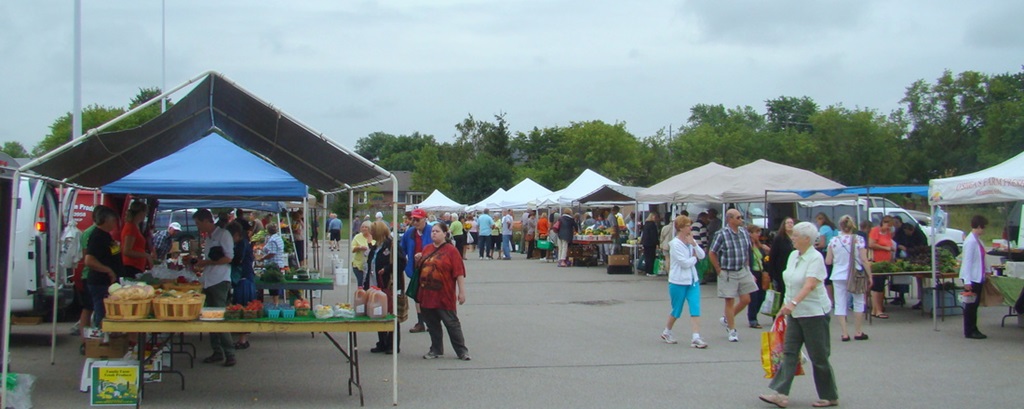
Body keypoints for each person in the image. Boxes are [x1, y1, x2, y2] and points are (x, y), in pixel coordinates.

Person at [758, 221, 839, 409]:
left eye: (795, 235)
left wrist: (793, 303)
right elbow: (791, 282)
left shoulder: (815, 258)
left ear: (807, 239)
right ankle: (781, 394)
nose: (792, 238)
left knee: (818, 356)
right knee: (789, 352)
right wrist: (785, 305)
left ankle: (829, 395)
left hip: (814, 313)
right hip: (795, 313)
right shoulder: (794, 255)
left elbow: (809, 284)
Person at [415, 222, 470, 361]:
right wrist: (418, 260)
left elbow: (459, 272)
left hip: (444, 295)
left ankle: (462, 351)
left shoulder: (451, 251)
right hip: (427, 295)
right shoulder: (427, 249)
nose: (434, 233)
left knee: (451, 323)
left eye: (437, 231)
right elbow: (420, 270)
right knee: (432, 325)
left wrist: (461, 292)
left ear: (445, 234)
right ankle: (436, 349)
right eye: (432, 231)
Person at [193, 209, 237, 367]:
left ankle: (230, 353)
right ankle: (217, 351)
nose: (198, 227)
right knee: (210, 316)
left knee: (219, 315)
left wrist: (207, 263)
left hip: (219, 281)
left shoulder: (223, 235)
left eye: (198, 223)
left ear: (206, 221)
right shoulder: (210, 237)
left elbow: (228, 258)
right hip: (209, 280)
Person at [661, 215, 708, 349]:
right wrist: (694, 258)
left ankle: (696, 337)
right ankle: (667, 331)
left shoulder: (690, 240)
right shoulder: (675, 244)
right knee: (677, 310)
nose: (690, 227)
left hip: (692, 281)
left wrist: (694, 244)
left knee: (695, 308)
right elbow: (684, 263)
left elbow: (702, 255)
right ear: (681, 228)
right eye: (687, 225)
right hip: (678, 281)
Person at [709, 208, 755, 342]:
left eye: (741, 217)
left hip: (742, 269)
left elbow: (747, 250)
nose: (741, 220)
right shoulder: (721, 234)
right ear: (730, 219)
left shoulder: (744, 233)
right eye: (738, 217)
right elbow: (712, 252)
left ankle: (727, 318)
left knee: (746, 299)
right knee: (729, 300)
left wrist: (747, 267)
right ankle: (732, 329)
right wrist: (718, 270)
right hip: (728, 271)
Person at [825, 215, 871, 342]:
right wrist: (870, 276)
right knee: (858, 301)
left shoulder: (834, 241)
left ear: (840, 226)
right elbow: (864, 260)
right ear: (853, 225)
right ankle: (858, 331)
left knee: (840, 302)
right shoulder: (859, 240)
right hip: (855, 274)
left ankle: (844, 333)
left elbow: (828, 261)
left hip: (838, 275)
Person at [367, 221, 405, 353]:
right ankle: (382, 342)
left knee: (391, 313)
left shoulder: (392, 245)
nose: (370, 233)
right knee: (378, 312)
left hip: (389, 284)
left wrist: (387, 269)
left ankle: (392, 343)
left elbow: (401, 262)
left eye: (372, 231)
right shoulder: (375, 246)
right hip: (375, 284)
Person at [84, 205, 123, 327]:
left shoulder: (106, 235)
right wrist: (108, 270)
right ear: (105, 220)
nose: (115, 223)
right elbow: (89, 260)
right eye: (113, 220)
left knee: (106, 311)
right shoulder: (97, 236)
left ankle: (105, 337)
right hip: (100, 282)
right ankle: (99, 338)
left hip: (108, 282)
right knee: (101, 312)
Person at [402, 208, 432, 333]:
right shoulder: (409, 233)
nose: (415, 222)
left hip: (431, 270)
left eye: (417, 220)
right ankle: (421, 322)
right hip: (415, 269)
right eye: (413, 219)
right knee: (417, 296)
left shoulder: (432, 231)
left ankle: (432, 322)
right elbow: (401, 249)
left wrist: (424, 254)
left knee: (430, 296)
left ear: (425, 219)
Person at [226, 221, 256, 349]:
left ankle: (243, 339)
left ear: (237, 235)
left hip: (244, 279)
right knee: (243, 307)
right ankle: (242, 338)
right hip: (244, 278)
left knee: (243, 308)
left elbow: (237, 260)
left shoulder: (242, 244)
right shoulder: (242, 243)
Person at [960, 215, 988, 340]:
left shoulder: (978, 240)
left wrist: (987, 270)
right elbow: (967, 261)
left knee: (974, 305)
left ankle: (973, 327)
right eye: (983, 227)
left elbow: (982, 258)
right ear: (978, 226)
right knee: (971, 305)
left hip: (978, 276)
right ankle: (969, 330)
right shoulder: (971, 241)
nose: (984, 230)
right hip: (972, 277)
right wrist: (967, 280)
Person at [868, 215, 895, 319]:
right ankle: (877, 309)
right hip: (876, 262)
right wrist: (885, 248)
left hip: (885, 262)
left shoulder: (888, 233)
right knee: (876, 286)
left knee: (881, 286)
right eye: (888, 225)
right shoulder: (875, 231)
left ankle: (877, 309)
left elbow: (889, 243)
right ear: (883, 223)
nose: (889, 228)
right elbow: (871, 244)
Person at [121, 201, 155, 278]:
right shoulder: (131, 227)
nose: (145, 215)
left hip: (137, 266)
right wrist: (146, 255)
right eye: (145, 213)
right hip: (131, 266)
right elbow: (127, 251)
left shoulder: (135, 226)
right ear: (141, 213)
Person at [746, 224, 771, 329]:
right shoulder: (748, 246)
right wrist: (749, 273)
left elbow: (765, 259)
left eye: (759, 232)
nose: (758, 235)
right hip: (753, 272)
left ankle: (755, 313)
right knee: (754, 297)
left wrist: (767, 252)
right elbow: (747, 260)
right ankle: (752, 318)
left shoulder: (760, 246)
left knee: (762, 295)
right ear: (750, 234)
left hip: (761, 273)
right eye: (756, 232)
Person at [260, 223, 288, 304]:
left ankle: (275, 303)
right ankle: (275, 302)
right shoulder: (278, 238)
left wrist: (262, 258)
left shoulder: (272, 240)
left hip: (273, 264)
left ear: (268, 230)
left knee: (273, 285)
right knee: (275, 285)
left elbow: (272, 253)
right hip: (278, 263)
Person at [768, 218, 796, 297]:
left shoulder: (796, 238)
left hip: (794, 268)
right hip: (781, 269)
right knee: (783, 292)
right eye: (788, 223)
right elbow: (772, 256)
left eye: (792, 223)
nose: (790, 224)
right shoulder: (779, 239)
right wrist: (772, 273)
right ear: (784, 225)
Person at [814, 213, 838, 304]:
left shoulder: (823, 228)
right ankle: (837, 299)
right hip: (836, 253)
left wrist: (816, 246)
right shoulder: (834, 228)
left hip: (826, 252)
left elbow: (823, 244)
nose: (817, 223)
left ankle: (830, 299)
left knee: (827, 277)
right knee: (834, 276)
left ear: (821, 219)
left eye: (817, 220)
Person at [351, 221, 374, 289]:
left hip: (371, 265)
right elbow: (352, 249)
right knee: (361, 283)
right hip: (359, 265)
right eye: (362, 227)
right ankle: (361, 296)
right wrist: (359, 247)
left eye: (366, 227)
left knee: (370, 283)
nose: (364, 229)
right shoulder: (357, 237)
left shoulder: (374, 236)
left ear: (370, 228)